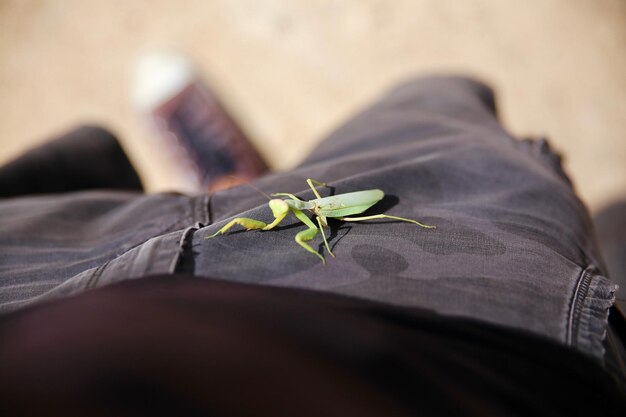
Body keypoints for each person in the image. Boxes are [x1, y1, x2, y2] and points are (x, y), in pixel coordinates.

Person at [0, 76, 624, 415]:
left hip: (53, 264)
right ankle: (232, 189)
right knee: (437, 113)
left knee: (432, 97)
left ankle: (228, 188)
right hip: (481, 354)